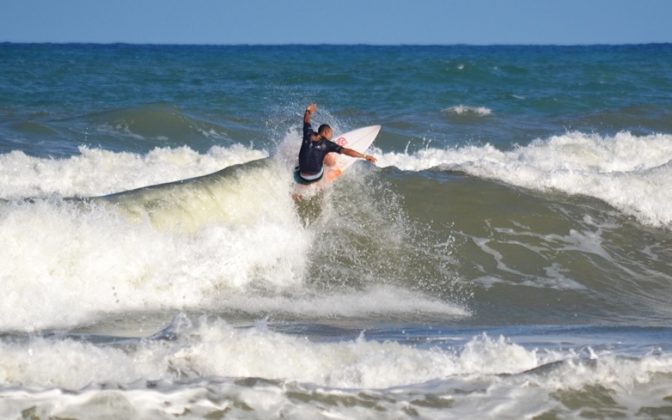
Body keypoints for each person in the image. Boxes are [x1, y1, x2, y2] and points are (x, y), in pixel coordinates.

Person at [294, 103, 377, 185]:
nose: (331, 136)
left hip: (300, 177)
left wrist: (308, 110)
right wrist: (365, 156)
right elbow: (346, 151)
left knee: (299, 163)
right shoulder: (327, 144)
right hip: (316, 177)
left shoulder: (308, 133)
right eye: (331, 134)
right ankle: (328, 169)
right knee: (327, 156)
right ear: (326, 132)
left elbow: (306, 120)